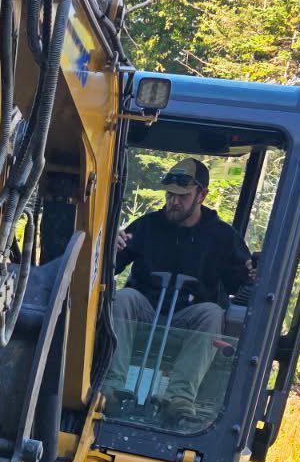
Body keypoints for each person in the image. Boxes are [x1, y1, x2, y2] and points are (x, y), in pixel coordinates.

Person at [105, 157, 253, 427]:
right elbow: (109, 267)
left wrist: (252, 273)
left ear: (202, 195)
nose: (174, 202)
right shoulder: (147, 225)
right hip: (145, 312)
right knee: (123, 298)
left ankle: (179, 399)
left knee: (211, 313)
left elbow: (241, 283)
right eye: (170, 195)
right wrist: (110, 249)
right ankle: (112, 387)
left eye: (182, 196)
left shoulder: (222, 237)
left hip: (189, 317)